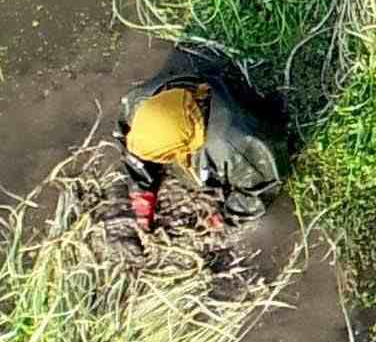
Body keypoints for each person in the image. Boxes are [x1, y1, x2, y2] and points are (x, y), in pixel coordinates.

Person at [115, 52, 289, 227]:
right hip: (186, 106)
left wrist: (224, 219)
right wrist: (141, 191)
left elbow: (258, 190)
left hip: (235, 106)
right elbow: (130, 141)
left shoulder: (235, 145)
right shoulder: (139, 103)